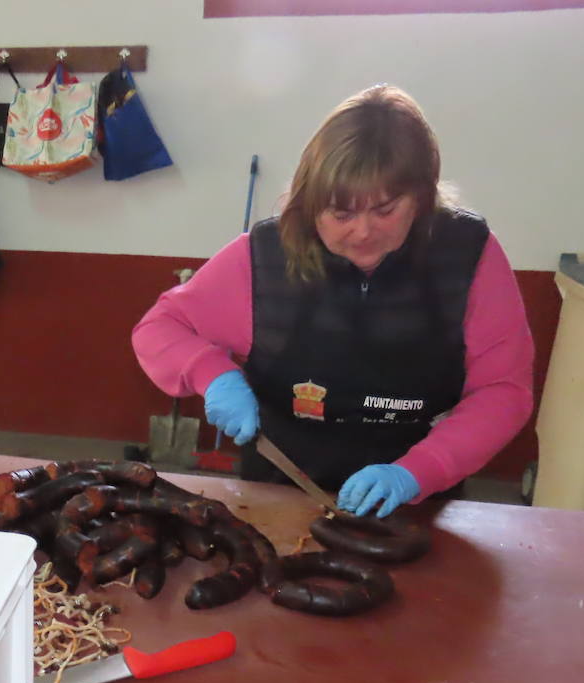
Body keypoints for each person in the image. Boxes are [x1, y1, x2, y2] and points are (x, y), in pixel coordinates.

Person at [132, 84, 533, 519]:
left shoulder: (469, 256)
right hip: (279, 487)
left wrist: (420, 472)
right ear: (310, 204)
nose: (363, 231)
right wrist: (210, 373)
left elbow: (503, 390)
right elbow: (159, 329)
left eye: (385, 210)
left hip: (417, 498)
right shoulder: (263, 255)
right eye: (341, 213)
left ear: (421, 195)